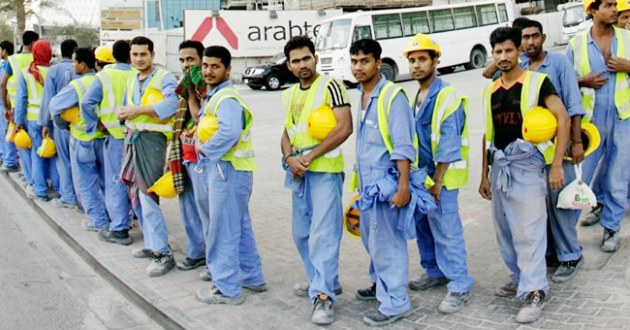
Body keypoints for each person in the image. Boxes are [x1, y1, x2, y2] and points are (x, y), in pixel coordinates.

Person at [479, 27, 570, 324]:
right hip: (500, 168)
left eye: (508, 50)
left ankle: (535, 290)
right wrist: (484, 175)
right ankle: (518, 277)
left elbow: (563, 118)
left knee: (528, 231)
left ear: (519, 49)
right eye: (498, 52)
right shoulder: (490, 90)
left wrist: (556, 165)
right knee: (505, 231)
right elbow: (487, 135)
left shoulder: (538, 82)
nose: (503, 57)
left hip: (528, 167)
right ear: (492, 54)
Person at [280, 35, 352, 325]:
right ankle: (321, 280)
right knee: (302, 234)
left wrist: (309, 158)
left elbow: (344, 127)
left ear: (316, 58)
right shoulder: (289, 94)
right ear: (289, 65)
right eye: (296, 61)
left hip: (324, 172)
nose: (302, 64)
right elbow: (287, 133)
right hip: (298, 174)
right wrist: (289, 159)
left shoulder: (331, 85)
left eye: (306, 58)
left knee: (324, 234)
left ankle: (323, 296)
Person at [405, 34, 475, 313]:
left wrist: (438, 181)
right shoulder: (418, 95)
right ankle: (434, 271)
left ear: (436, 60)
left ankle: (459, 284)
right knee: (424, 228)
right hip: (422, 177)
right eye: (412, 61)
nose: (417, 65)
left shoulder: (447, 95)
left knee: (447, 230)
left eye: (423, 59)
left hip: (441, 180)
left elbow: (448, 141)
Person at [350, 38, 417, 326]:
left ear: (379, 63)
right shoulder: (362, 95)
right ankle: (381, 285)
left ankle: (396, 302)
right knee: (373, 240)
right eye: (354, 61)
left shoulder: (392, 96)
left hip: (387, 185)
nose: (358, 67)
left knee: (388, 244)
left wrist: (403, 187)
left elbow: (403, 145)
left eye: (365, 61)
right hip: (368, 186)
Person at [192, 45, 266, 305]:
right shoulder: (216, 96)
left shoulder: (227, 99)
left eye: (215, 66)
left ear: (227, 69)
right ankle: (252, 277)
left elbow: (229, 132)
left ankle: (226, 289)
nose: (209, 71)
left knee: (222, 230)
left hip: (227, 171)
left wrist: (204, 148)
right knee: (240, 226)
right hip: (233, 172)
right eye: (205, 66)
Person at [519, 19, 586, 283]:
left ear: (544, 37)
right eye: (525, 37)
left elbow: (572, 102)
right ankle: (551, 253)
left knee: (561, 203)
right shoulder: (520, 66)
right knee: (538, 205)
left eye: (535, 36)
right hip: (531, 151)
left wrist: (577, 141)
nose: (531, 42)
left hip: (558, 146)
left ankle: (571, 255)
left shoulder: (558, 63)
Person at [567, 0, 630, 252]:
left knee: (617, 177)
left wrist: (628, 67)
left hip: (623, 118)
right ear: (592, 11)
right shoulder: (577, 44)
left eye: (615, 5)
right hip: (589, 124)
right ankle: (566, 238)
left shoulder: (627, 38)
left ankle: (611, 229)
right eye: (608, 5)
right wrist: (582, 80)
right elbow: (564, 82)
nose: (615, 9)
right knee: (578, 177)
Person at [118, 36, 178, 277]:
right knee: (137, 195)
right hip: (134, 139)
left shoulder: (165, 77)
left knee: (148, 195)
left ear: (153, 55)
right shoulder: (132, 79)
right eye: (135, 54)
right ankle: (153, 243)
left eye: (143, 54)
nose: (139, 58)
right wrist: (125, 114)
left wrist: (137, 111)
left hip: (152, 142)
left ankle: (162, 252)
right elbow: (127, 107)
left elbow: (171, 104)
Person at [82, 41, 136, 245]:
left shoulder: (105, 75)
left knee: (116, 180)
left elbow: (87, 102)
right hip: (136, 135)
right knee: (135, 181)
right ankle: (131, 218)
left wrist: (96, 124)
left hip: (114, 135)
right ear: (130, 56)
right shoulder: (137, 73)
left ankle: (120, 228)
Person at [49, 47, 109, 231]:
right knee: (107, 182)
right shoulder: (104, 80)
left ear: (83, 65)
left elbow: (54, 106)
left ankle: (98, 221)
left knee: (86, 183)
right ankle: (113, 217)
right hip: (105, 139)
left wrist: (63, 125)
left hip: (83, 140)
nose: (72, 65)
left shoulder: (78, 85)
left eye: (74, 62)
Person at [169, 40, 207, 272]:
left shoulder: (204, 86)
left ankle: (209, 258)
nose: (186, 65)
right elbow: (178, 122)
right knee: (188, 206)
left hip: (202, 156)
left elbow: (198, 117)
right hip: (184, 151)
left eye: (191, 60)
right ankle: (196, 253)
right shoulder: (185, 86)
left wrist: (192, 91)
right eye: (182, 60)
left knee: (204, 209)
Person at [14, 39, 59, 202]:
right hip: (53, 119)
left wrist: (18, 121)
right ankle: (57, 187)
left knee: (37, 153)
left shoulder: (26, 73)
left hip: (33, 120)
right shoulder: (55, 71)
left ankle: (40, 189)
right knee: (53, 152)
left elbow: (21, 99)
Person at [40, 39, 79, 209]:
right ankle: (80, 197)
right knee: (80, 161)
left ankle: (68, 196)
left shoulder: (54, 70)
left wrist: (44, 123)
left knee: (63, 160)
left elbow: (48, 99)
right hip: (79, 123)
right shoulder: (81, 69)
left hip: (60, 122)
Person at [1, 31, 38, 181]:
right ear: (32, 43)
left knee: (22, 143)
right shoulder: (37, 58)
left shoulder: (12, 60)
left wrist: (6, 107)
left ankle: (29, 178)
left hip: (16, 107)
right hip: (35, 108)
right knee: (36, 146)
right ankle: (37, 180)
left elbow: (2, 84)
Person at [0, 40, 18, 173]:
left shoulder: (9, 64)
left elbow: (3, 85)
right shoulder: (6, 64)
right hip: (8, 104)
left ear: (5, 51)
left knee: (8, 132)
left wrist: (6, 106)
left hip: (8, 104)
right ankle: (6, 156)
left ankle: (9, 159)